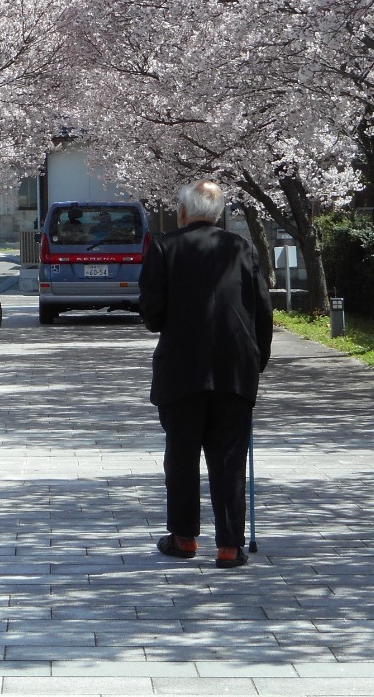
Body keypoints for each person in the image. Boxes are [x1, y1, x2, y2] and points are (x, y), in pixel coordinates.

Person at [137, 180, 273, 569]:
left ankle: (183, 538)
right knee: (230, 459)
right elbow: (262, 309)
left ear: (182, 211)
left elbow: (153, 315)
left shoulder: (164, 247)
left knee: (181, 456)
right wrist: (256, 362)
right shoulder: (242, 248)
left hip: (181, 368)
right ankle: (229, 546)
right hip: (235, 370)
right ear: (218, 214)